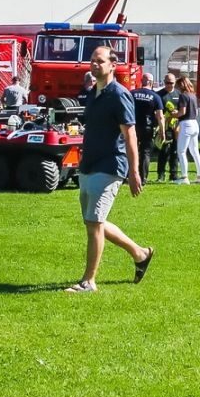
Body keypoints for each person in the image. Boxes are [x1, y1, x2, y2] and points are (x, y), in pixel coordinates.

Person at [66, 45, 153, 293]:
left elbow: (130, 135)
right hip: (89, 164)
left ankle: (88, 282)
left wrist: (134, 172)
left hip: (110, 165)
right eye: (92, 60)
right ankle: (140, 253)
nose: (94, 64)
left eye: (100, 61)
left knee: (94, 223)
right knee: (94, 221)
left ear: (113, 65)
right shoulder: (93, 93)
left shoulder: (119, 95)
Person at [172, 74, 200, 185]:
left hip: (186, 124)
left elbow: (182, 112)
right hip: (194, 123)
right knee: (195, 151)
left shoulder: (183, 96)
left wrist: (174, 114)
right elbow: (196, 112)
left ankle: (184, 177)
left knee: (181, 151)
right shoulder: (193, 95)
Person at [130, 72, 165, 179]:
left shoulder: (132, 93)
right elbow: (160, 116)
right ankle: (143, 177)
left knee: (131, 150)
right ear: (151, 83)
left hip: (133, 126)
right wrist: (162, 131)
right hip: (147, 127)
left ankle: (128, 175)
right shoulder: (155, 96)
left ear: (141, 81)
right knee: (145, 152)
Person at [156, 71, 182, 183]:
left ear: (175, 82)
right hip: (164, 127)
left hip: (176, 127)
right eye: (167, 83)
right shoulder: (159, 95)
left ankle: (174, 174)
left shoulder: (179, 94)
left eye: (171, 83)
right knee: (164, 151)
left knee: (175, 151)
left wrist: (177, 114)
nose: (169, 85)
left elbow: (183, 110)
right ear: (164, 82)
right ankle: (161, 175)